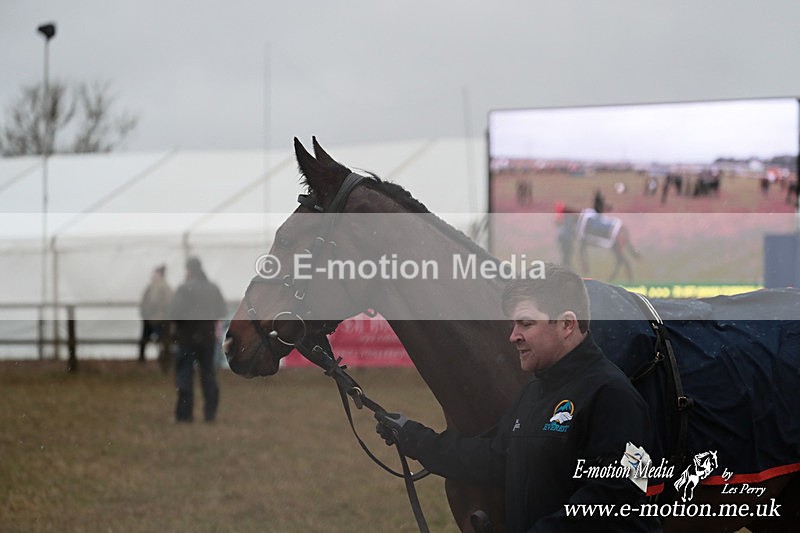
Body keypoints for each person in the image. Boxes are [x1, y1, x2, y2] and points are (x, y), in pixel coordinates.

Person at [375, 263, 660, 532]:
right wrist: (413, 438)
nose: (513, 336)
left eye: (526, 323)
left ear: (567, 325)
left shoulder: (613, 395)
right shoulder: (535, 392)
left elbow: (617, 498)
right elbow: (494, 459)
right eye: (514, 325)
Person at [169, 257, 227, 423]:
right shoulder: (213, 288)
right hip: (207, 339)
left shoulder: (184, 288)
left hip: (186, 339)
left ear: (190, 270)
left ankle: (185, 415)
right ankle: (210, 413)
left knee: (185, 376)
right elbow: (221, 310)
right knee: (208, 375)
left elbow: (174, 314)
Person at [138, 264, 173, 369]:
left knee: (161, 340)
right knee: (162, 341)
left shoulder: (161, 287)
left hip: (158, 319)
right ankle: (162, 362)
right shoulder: (158, 286)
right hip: (156, 319)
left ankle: (162, 362)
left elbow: (160, 303)